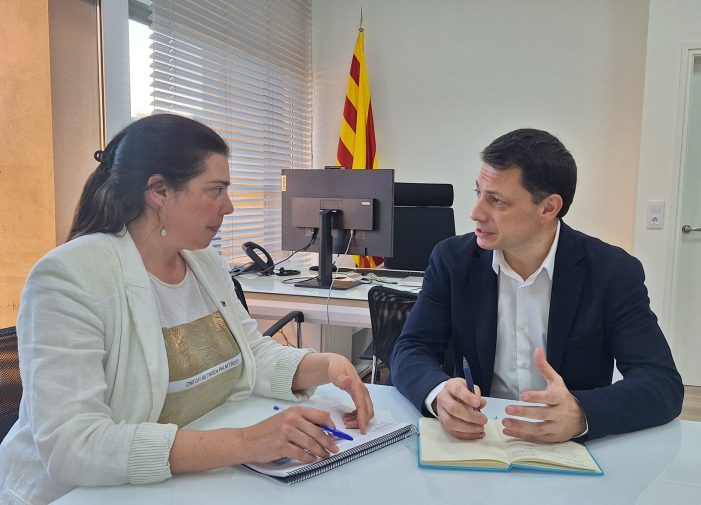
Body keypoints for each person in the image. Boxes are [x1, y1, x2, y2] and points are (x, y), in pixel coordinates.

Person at [0, 114, 373, 505]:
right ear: (159, 191)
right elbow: (73, 446)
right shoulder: (70, 277)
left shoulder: (202, 260)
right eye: (216, 190)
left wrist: (326, 365)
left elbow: (250, 354)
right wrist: (247, 442)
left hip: (180, 485)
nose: (229, 206)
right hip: (79, 495)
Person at [390, 128, 683, 443]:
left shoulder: (611, 272)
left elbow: (660, 383)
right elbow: (411, 348)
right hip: (479, 440)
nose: (475, 213)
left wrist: (582, 413)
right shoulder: (452, 260)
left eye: (497, 201)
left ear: (548, 208)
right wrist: (438, 393)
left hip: (569, 450)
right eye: (478, 192)